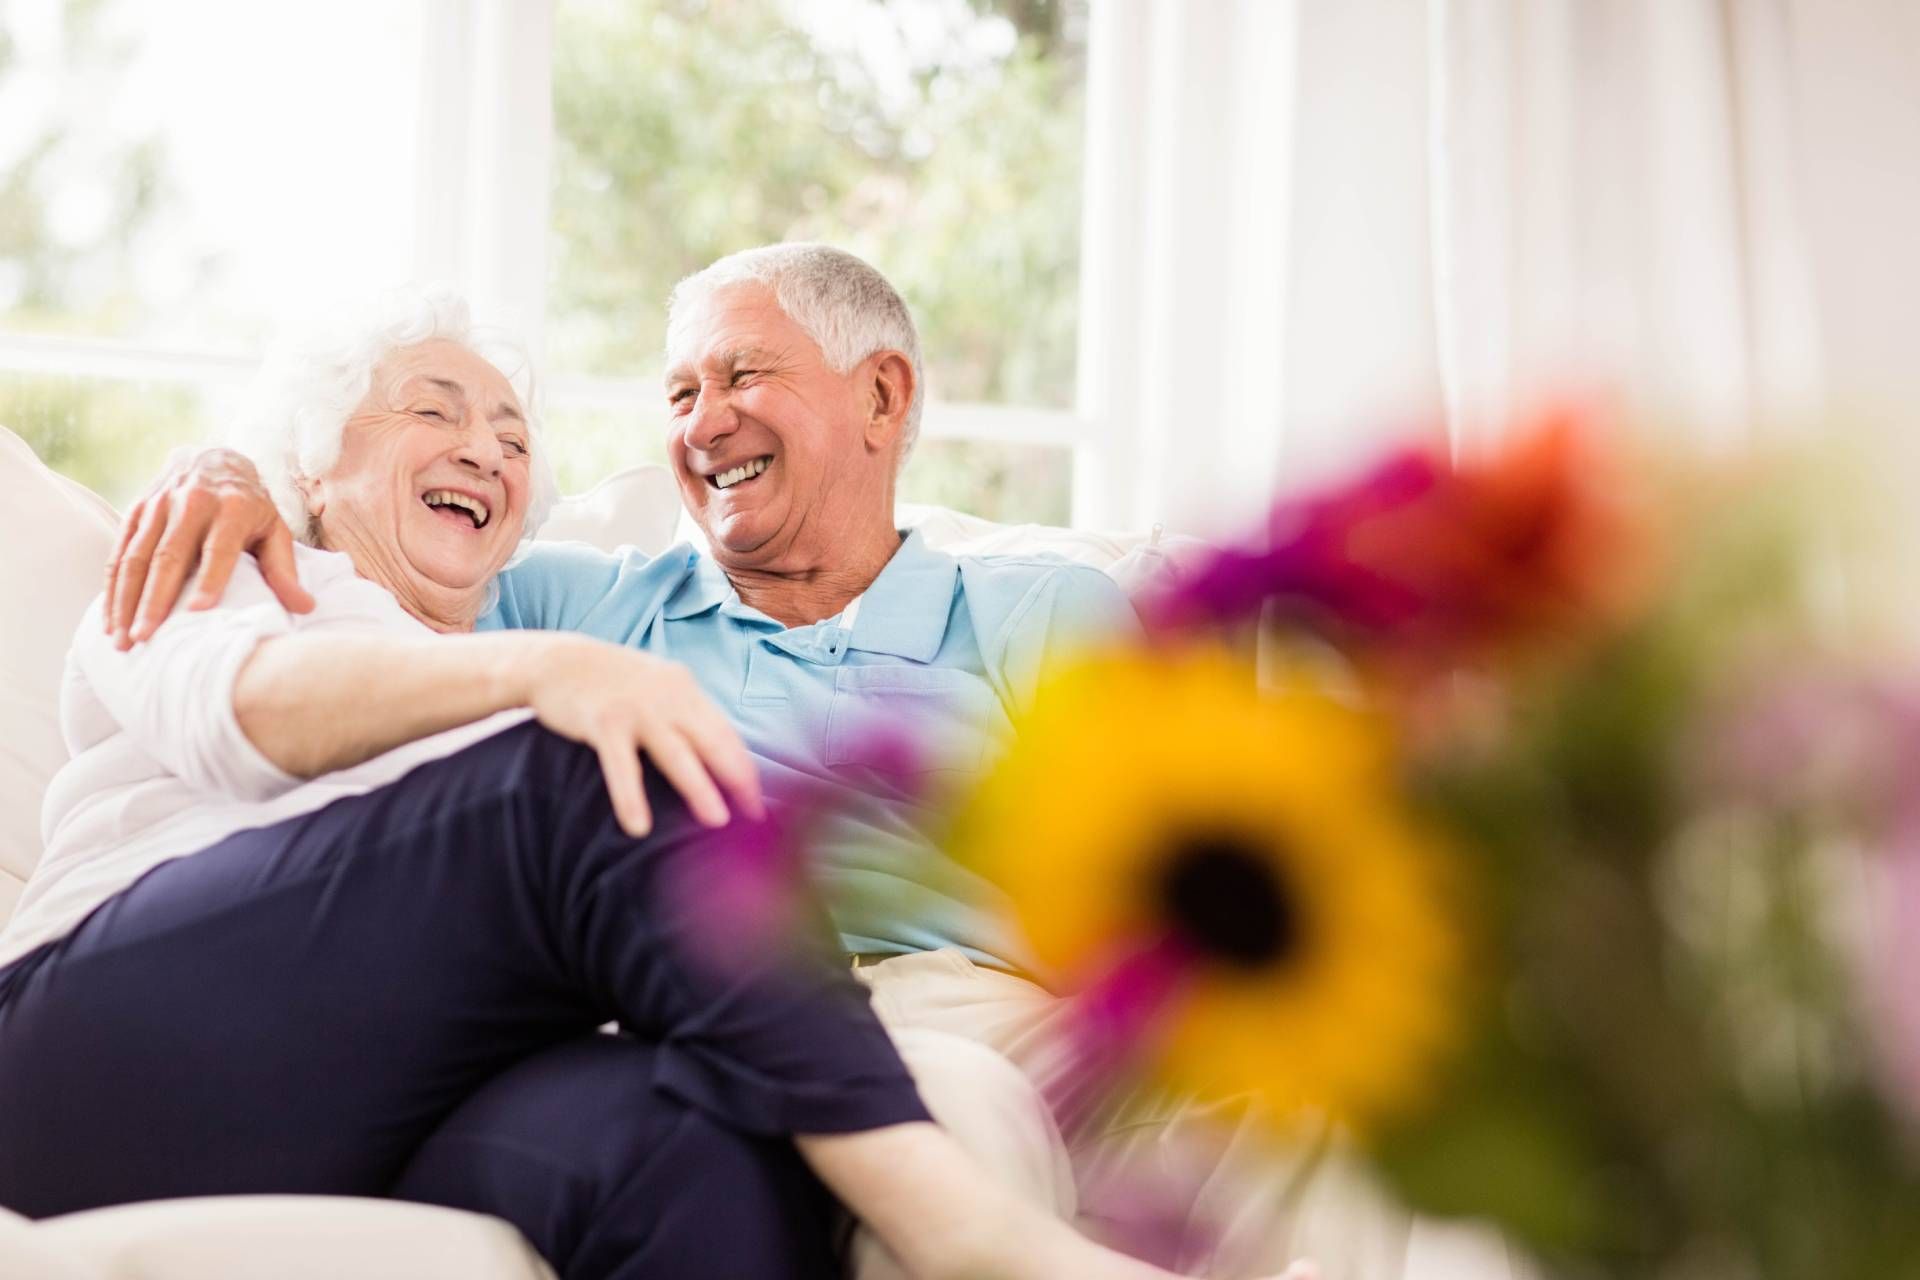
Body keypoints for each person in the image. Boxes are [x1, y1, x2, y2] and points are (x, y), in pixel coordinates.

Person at [0, 288, 1310, 1280]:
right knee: (603, 759)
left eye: (512, 436)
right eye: (434, 411)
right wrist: (542, 674)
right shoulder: (231, 553)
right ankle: (975, 1238)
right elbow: (252, 717)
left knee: (700, 1146)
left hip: (387, 1098)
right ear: (308, 466)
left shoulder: (524, 623)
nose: (486, 450)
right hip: (100, 1053)